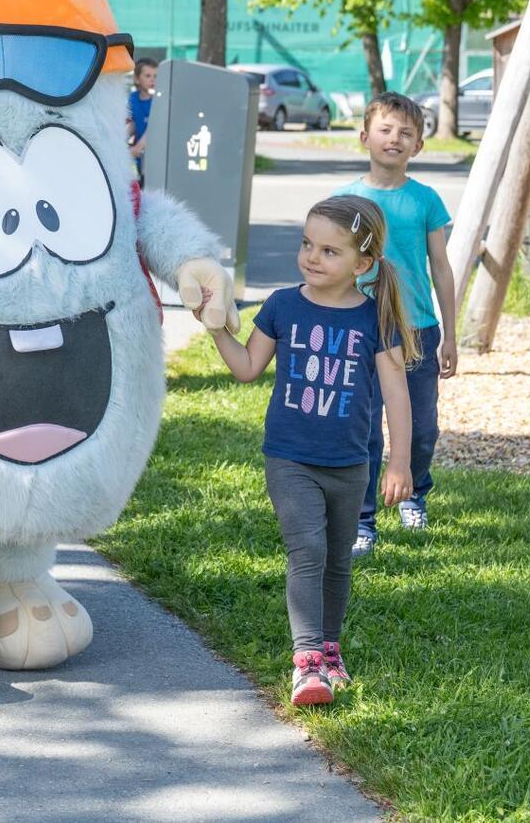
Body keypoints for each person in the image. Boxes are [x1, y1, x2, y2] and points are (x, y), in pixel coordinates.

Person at [209, 194, 415, 706]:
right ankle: (306, 665)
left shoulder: (375, 318)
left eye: (329, 251)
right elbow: (247, 368)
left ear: (362, 264)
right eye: (307, 244)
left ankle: (329, 649)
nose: (311, 258)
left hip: (350, 464)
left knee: (338, 562)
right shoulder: (283, 305)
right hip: (289, 457)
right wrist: (216, 327)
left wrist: (401, 461)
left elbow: (396, 393)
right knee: (309, 551)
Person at [336, 93, 456, 558]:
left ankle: (415, 493)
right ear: (366, 137)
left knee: (422, 428)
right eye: (386, 130)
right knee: (364, 430)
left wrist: (449, 333)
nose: (395, 139)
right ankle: (363, 520)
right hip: (362, 328)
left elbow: (441, 268)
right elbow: (330, 266)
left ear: (418, 146)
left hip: (418, 331)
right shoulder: (346, 201)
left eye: (406, 133)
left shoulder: (426, 200)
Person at [127, 56, 159, 170]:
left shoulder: (159, 101)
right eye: (148, 76)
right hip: (140, 162)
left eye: (156, 76)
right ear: (137, 79)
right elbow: (133, 124)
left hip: (156, 160)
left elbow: (155, 128)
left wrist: (137, 148)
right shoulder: (133, 99)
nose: (153, 80)